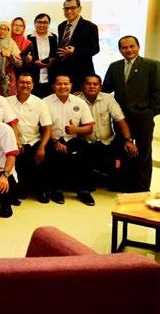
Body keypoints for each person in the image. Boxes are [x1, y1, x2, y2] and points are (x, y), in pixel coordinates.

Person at [103, 35, 160, 192]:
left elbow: (158, 93)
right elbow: (106, 89)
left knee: (143, 152)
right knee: (122, 150)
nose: (128, 50)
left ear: (138, 47)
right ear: (120, 50)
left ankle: (141, 187)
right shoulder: (114, 66)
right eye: (124, 47)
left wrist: (150, 112)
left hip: (143, 118)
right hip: (121, 118)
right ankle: (123, 183)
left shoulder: (152, 65)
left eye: (131, 46)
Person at [77, 74, 137, 190]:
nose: (92, 86)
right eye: (88, 84)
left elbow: (120, 120)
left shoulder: (108, 99)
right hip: (85, 142)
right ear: (82, 86)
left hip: (107, 141)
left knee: (126, 153)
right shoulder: (77, 100)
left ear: (100, 87)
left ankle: (117, 182)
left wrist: (128, 140)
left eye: (95, 84)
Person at [42, 74, 96, 206]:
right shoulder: (44, 103)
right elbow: (41, 128)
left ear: (71, 85)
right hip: (51, 139)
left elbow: (89, 128)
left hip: (73, 139)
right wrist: (55, 142)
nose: (63, 87)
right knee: (50, 151)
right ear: (53, 86)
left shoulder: (80, 103)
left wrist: (76, 129)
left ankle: (83, 190)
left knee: (86, 148)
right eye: (59, 84)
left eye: (66, 84)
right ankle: (55, 189)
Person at [6, 73, 52, 203]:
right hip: (14, 141)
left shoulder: (40, 103)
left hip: (34, 140)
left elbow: (47, 128)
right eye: (22, 82)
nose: (25, 85)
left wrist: (42, 147)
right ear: (16, 84)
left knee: (46, 153)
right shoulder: (7, 102)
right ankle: (20, 188)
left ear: (32, 85)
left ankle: (42, 190)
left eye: (28, 83)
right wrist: (15, 141)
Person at [55, 0, 99, 91]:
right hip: (63, 73)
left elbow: (95, 49)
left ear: (80, 9)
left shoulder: (90, 26)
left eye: (72, 8)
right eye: (66, 9)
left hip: (81, 73)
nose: (69, 11)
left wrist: (76, 51)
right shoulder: (61, 26)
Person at [27, 13, 58, 98]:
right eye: (39, 22)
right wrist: (34, 62)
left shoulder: (54, 38)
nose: (42, 25)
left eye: (45, 22)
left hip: (50, 78)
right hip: (34, 78)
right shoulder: (28, 38)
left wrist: (50, 61)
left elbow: (56, 55)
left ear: (49, 24)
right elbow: (26, 58)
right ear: (35, 24)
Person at [0, 21, 22, 97]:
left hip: (8, 77)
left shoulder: (12, 44)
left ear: (9, 31)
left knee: (9, 98)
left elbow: (19, 64)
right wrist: (0, 54)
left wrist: (10, 56)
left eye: (5, 29)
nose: (2, 31)